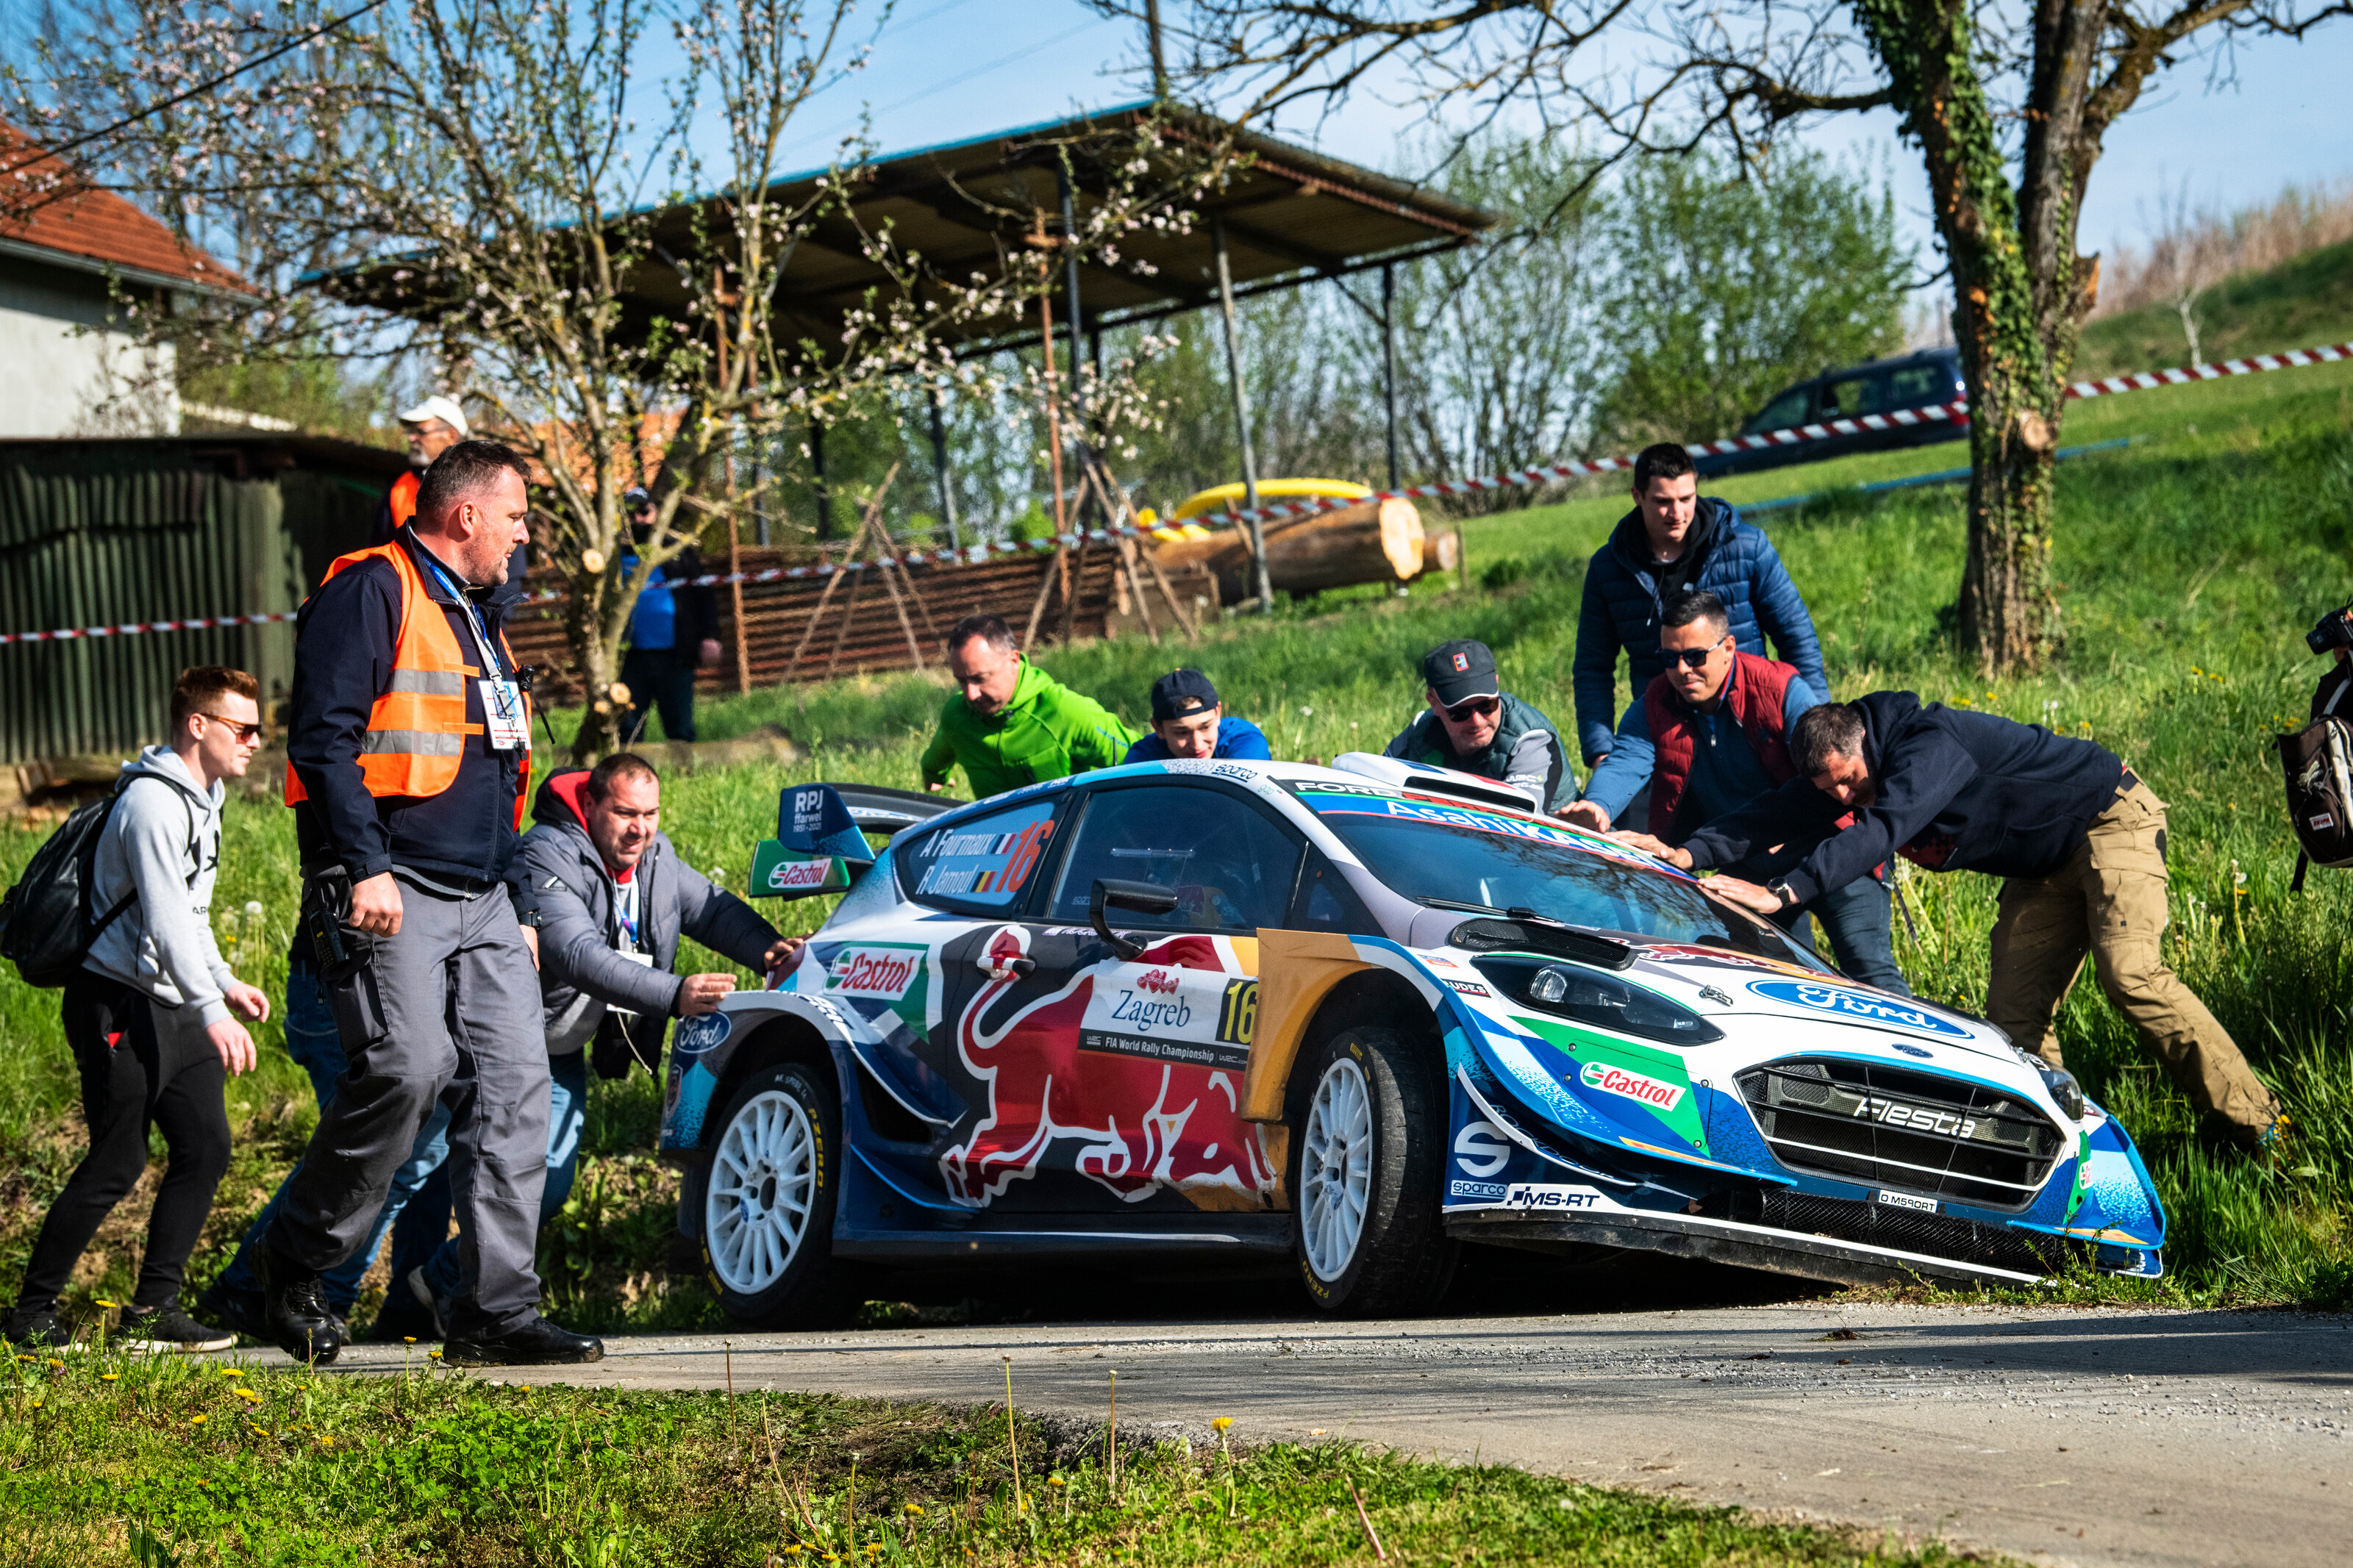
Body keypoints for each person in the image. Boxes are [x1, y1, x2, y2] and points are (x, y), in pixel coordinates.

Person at [261, 437, 601, 1368]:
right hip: (394, 882)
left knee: (517, 1091)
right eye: (517, 517)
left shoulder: (480, 616)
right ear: (467, 515)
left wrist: (520, 903)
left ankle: (495, 1312)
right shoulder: (373, 589)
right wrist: (361, 865)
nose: (524, 536)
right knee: (408, 1071)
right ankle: (292, 1258)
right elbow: (323, 742)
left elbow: (499, 773)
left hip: (487, 894)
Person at [1616, 695, 2288, 1155]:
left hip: (2110, 817)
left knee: (2131, 975)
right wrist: (1687, 852)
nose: (1843, 798)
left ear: (1863, 744)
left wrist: (1784, 890)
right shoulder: (1842, 767)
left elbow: (1883, 828)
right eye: (1830, 791)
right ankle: (2071, 1162)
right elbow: (1774, 812)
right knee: (2014, 1024)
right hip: (2043, 865)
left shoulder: (1931, 745)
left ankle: (2260, 1124)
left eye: (1849, 781)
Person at [392, 752, 804, 1330]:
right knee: (408, 1171)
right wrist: (675, 993)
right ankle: (307, 1287)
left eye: (651, 814)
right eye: (626, 813)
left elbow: (712, 911)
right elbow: (577, 954)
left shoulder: (657, 858)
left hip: (557, 1054)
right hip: (482, 1044)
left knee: (544, 1184)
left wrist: (769, 949)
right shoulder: (547, 851)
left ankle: (436, 1284)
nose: (640, 829)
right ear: (590, 805)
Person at [1, 667, 269, 1353]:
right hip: (117, 1000)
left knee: (205, 1146)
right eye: (243, 728)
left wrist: (224, 982)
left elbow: (193, 912)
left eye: (258, 729)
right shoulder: (153, 803)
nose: (255, 741)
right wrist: (212, 1009)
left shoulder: (207, 798)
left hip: (173, 1000)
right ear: (198, 725)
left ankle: (153, 1314)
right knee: (118, 1160)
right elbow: (164, 917)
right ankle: (31, 1313)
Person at [1563, 593, 1907, 994]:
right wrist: (1596, 805)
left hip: (1833, 850)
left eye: (1695, 656)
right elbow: (1626, 760)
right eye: (1669, 658)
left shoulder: (1779, 690)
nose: (1681, 670)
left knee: (1870, 974)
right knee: (1783, 982)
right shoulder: (1655, 703)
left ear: (1728, 648)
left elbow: (1828, 765)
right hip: (1751, 864)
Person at [1573, 444, 1827, 791]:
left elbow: (1796, 636)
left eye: (1686, 498)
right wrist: (1600, 750)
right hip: (1666, 734)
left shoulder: (1745, 547)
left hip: (1750, 725)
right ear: (1637, 496)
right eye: (1663, 501)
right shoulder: (1609, 568)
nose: (1677, 513)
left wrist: (1817, 727)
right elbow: (1592, 667)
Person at [920, 615, 1137, 799]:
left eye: (980, 679)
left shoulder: (1063, 711)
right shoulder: (957, 716)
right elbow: (935, 758)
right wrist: (934, 778)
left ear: (1013, 661)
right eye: (962, 681)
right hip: (997, 836)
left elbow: (1143, 758)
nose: (970, 694)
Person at [1382, 639, 1575, 812]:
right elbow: (1378, 785)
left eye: (1487, 706)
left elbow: (1517, 824)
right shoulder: (1420, 731)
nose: (1477, 721)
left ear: (1496, 686)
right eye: (1460, 712)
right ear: (1434, 703)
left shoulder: (1531, 740)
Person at [618, 487, 724, 744]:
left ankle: (686, 768)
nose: (638, 519)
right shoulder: (612, 557)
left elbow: (703, 595)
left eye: (644, 512)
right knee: (627, 731)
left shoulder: (677, 551)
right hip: (629, 658)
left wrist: (711, 636)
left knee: (680, 730)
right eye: (631, 514)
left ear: (657, 513)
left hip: (675, 656)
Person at [371, 395, 469, 544]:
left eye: (421, 432)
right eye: (411, 432)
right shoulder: (400, 487)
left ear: (451, 435)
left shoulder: (483, 484)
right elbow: (380, 548)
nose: (411, 438)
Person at [1121, 670, 1272, 764]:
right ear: (1158, 728)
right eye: (1182, 732)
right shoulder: (1142, 758)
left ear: (1218, 713)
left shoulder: (1244, 741)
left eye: (1205, 727)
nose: (1197, 746)